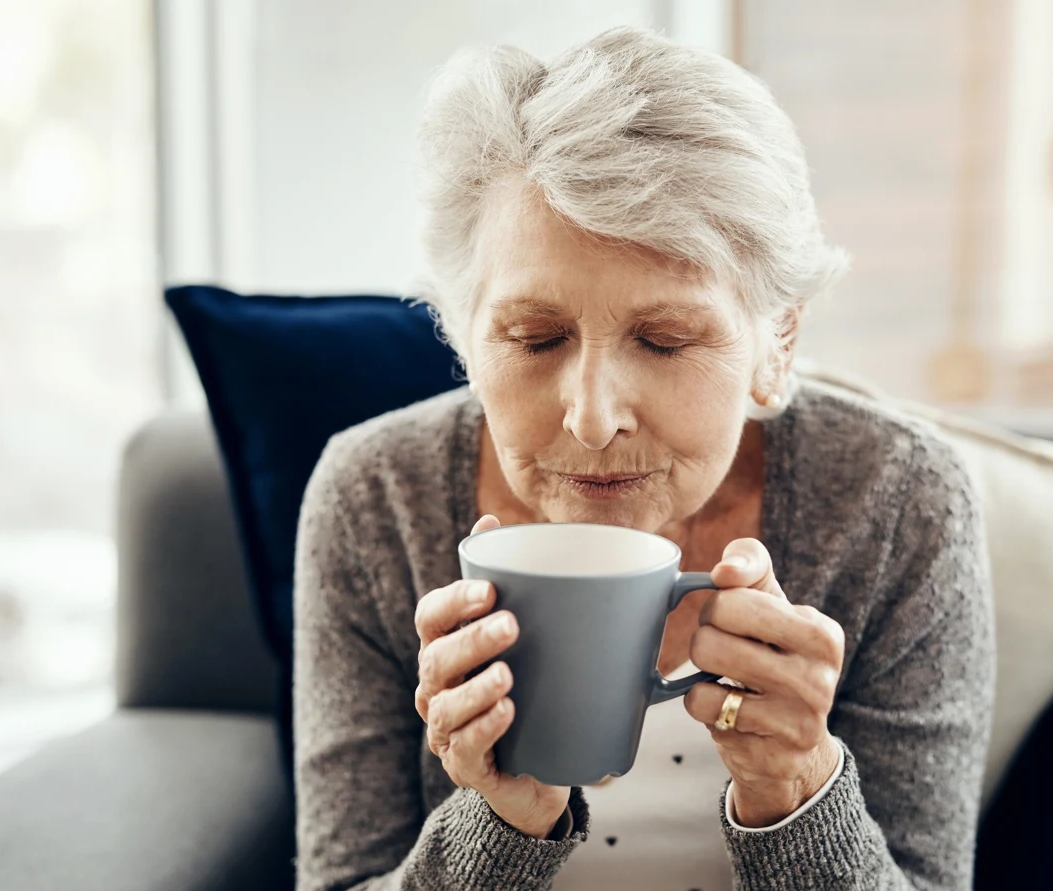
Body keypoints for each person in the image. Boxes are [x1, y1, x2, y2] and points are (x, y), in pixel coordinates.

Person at [294, 26, 993, 891]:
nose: (591, 418)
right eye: (535, 336)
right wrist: (500, 823)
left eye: (664, 340)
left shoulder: (897, 502)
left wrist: (800, 788)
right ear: (465, 337)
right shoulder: (373, 497)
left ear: (776, 344)